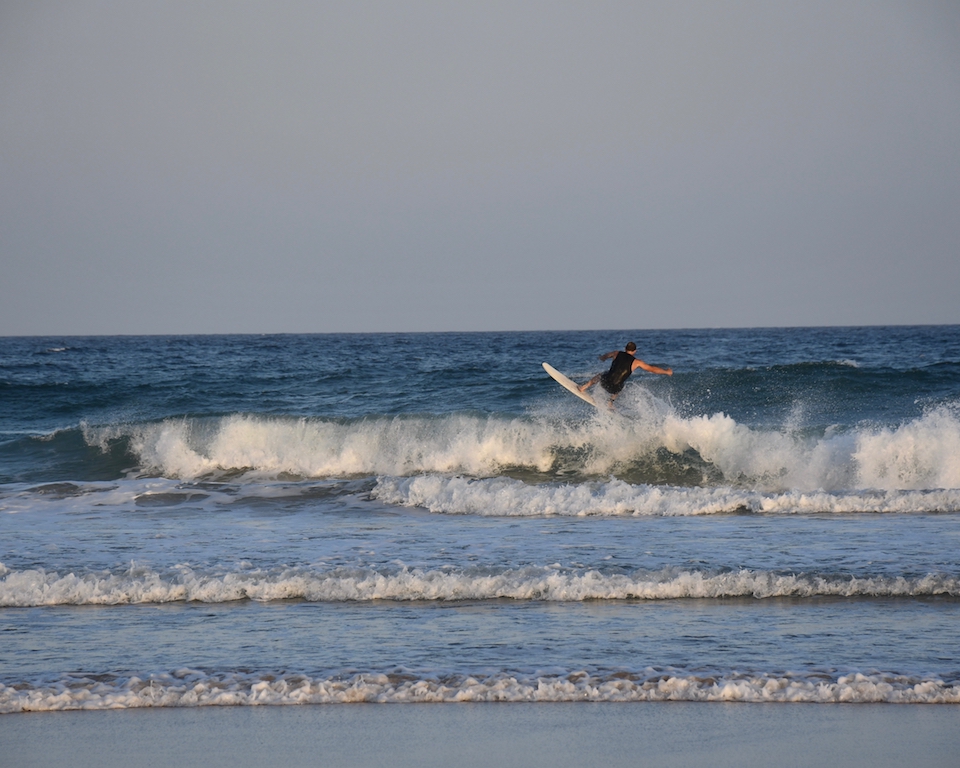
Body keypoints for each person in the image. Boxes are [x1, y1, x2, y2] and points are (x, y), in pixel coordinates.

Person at [579, 341, 672, 403]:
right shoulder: (637, 362)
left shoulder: (616, 353)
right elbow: (652, 369)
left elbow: (606, 355)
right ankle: (610, 402)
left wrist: (602, 358)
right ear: (635, 351)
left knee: (600, 375)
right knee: (621, 385)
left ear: (625, 348)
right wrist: (666, 372)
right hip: (614, 389)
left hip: (604, 382)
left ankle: (584, 387)